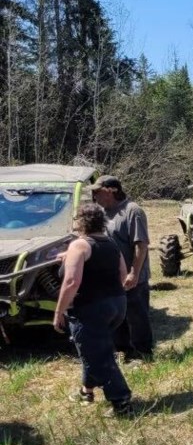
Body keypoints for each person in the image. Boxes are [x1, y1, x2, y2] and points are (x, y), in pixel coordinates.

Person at [53, 203, 134, 417]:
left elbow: (71, 282)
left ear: (80, 222)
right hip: (117, 305)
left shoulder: (79, 245)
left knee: (98, 354)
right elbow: (123, 276)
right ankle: (86, 391)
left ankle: (121, 401)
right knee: (94, 348)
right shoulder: (111, 244)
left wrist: (58, 311)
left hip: (90, 308)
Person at [92, 175, 153, 362]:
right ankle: (123, 350)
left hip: (133, 277)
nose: (94, 196)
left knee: (137, 315)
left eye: (98, 191)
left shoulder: (132, 211)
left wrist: (134, 273)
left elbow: (140, 245)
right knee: (116, 316)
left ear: (113, 191)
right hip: (111, 277)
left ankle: (143, 354)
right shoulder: (102, 213)